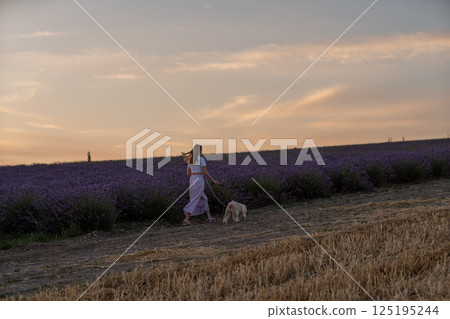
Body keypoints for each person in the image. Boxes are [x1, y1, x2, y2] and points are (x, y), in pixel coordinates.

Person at [182, 144, 219, 226]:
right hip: (199, 179)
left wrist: (195, 173)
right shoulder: (201, 159)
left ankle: (209, 217)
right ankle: (186, 219)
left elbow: (188, 173)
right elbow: (205, 172)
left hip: (192, 179)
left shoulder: (190, 160)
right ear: (200, 151)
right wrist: (214, 181)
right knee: (195, 199)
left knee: (204, 198)